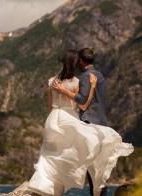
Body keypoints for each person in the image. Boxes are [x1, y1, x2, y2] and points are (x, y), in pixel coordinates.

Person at [26, 50, 134, 196]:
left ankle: (48, 187)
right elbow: (83, 104)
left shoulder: (53, 81)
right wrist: (92, 88)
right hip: (74, 119)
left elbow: (50, 106)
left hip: (53, 118)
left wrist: (61, 97)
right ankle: (97, 190)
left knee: (52, 155)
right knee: (87, 159)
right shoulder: (89, 78)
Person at [52, 48, 106, 195]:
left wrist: (63, 90)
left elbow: (82, 102)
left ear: (81, 61)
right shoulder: (100, 75)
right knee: (99, 163)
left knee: (91, 165)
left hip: (89, 122)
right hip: (102, 122)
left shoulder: (85, 77)